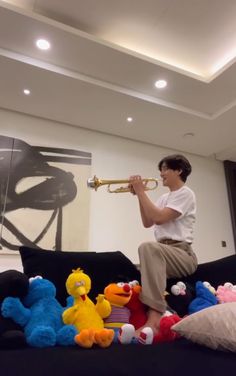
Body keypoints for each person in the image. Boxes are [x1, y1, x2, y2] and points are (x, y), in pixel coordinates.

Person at [129, 154, 198, 335]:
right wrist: (139, 195)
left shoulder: (186, 193)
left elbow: (159, 218)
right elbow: (147, 222)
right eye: (161, 169)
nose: (161, 173)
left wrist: (142, 191)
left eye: (166, 168)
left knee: (147, 247)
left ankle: (155, 319)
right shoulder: (163, 198)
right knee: (132, 267)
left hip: (182, 254)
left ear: (179, 170)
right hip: (164, 251)